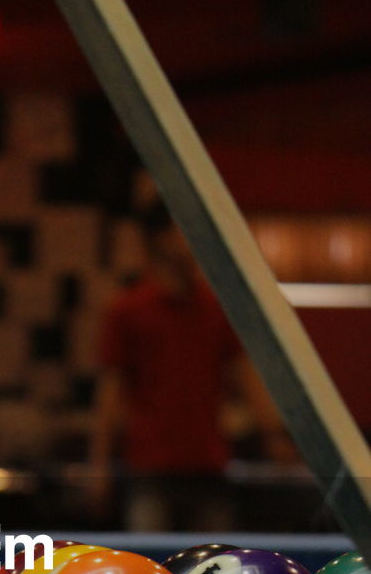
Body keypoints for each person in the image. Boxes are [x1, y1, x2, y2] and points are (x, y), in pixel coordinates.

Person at [90, 200, 294, 532]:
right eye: (186, 230)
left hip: (208, 466)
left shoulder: (216, 308)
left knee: (213, 571)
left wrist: (276, 435)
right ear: (161, 238)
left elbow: (244, 376)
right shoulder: (127, 310)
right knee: (148, 573)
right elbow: (111, 392)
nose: (198, 240)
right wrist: (98, 466)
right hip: (149, 470)